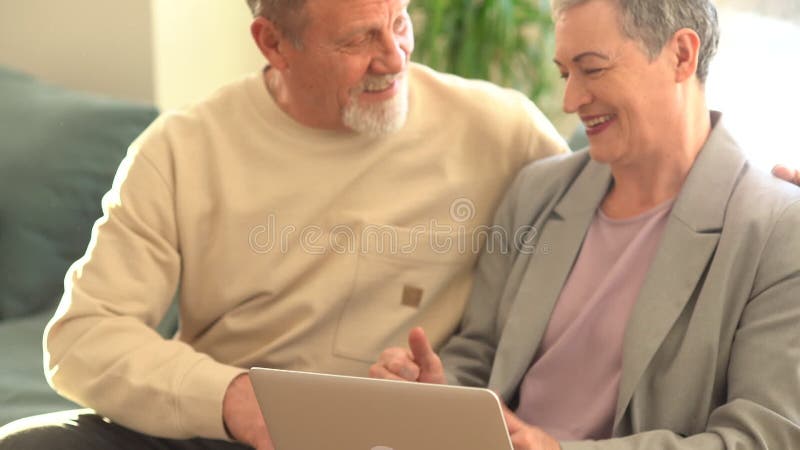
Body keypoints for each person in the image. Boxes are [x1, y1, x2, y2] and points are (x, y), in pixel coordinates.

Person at [0, 0, 569, 449]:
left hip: (391, 439)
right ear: (273, 43)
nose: (394, 57)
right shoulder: (181, 151)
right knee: (30, 445)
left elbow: (601, 235)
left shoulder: (502, 131)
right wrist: (238, 401)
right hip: (220, 431)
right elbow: (82, 338)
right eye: (357, 39)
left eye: (399, 21)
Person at [371, 0, 800, 449]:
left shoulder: (777, 229)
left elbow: (761, 438)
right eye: (564, 74)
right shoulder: (538, 191)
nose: (570, 100)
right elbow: (480, 356)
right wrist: (441, 393)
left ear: (681, 56)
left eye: (592, 69)